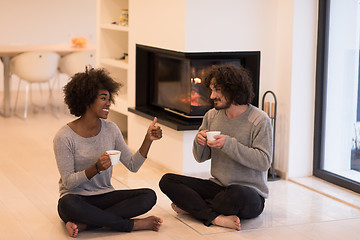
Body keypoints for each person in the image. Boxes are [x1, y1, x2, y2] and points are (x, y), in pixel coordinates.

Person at [159, 64, 273, 231]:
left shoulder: (260, 120)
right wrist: (199, 142)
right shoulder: (211, 116)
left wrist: (228, 144)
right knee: (167, 181)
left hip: (249, 193)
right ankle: (215, 217)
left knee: (235, 195)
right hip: (218, 187)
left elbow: (264, 162)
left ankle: (194, 208)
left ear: (233, 89)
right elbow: (200, 157)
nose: (212, 96)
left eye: (217, 90)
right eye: (211, 90)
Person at [53, 68, 163, 238]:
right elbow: (69, 183)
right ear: (87, 99)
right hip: (77, 198)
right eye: (103, 98)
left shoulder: (111, 129)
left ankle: (87, 224)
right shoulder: (64, 136)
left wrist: (148, 140)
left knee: (149, 195)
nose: (109, 103)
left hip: (106, 196)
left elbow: (133, 166)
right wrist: (95, 168)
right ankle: (132, 225)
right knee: (67, 205)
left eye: (109, 99)